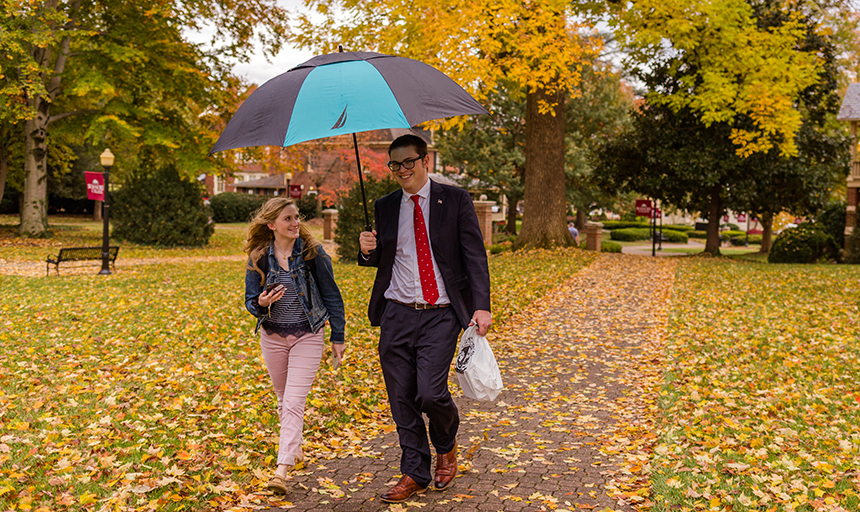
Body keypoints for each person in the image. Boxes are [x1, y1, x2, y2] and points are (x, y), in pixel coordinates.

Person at [358, 134, 492, 503]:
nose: (402, 170)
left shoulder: (455, 199)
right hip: (397, 311)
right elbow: (382, 259)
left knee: (430, 393)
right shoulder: (385, 206)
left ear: (425, 160)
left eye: (408, 162)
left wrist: (481, 305)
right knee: (401, 397)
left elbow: (474, 256)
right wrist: (366, 249)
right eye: (395, 165)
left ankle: (446, 445)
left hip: (442, 313)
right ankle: (413, 472)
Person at [244, 197, 346, 495]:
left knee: (292, 401)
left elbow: (332, 296)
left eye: (297, 217)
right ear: (272, 224)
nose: (295, 223)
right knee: (283, 399)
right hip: (273, 337)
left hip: (308, 335)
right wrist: (260, 303)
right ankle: (295, 448)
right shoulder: (259, 256)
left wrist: (337, 337)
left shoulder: (313, 254)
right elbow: (251, 300)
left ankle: (282, 470)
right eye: (288, 219)